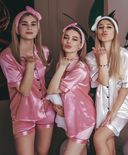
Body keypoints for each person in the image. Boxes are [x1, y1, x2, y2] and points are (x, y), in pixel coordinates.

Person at [0, 6, 55, 155]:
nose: (29, 27)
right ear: (17, 28)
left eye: (33, 24)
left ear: (38, 28)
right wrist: (30, 66)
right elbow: (24, 90)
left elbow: (44, 82)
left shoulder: (44, 51)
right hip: (22, 114)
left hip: (46, 110)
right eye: (24, 24)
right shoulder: (7, 56)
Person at [86, 15, 128, 155]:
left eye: (109, 27)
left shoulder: (125, 55)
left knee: (98, 138)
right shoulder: (90, 57)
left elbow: (126, 88)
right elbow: (103, 81)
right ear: (97, 32)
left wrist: (112, 113)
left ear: (115, 32)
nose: (104, 30)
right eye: (100, 27)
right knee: (108, 142)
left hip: (121, 106)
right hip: (101, 105)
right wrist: (101, 59)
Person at [47, 22, 96, 155]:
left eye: (74, 39)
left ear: (80, 45)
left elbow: (51, 90)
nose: (69, 41)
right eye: (66, 37)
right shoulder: (62, 63)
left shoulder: (79, 68)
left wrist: (62, 66)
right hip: (71, 117)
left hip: (83, 118)